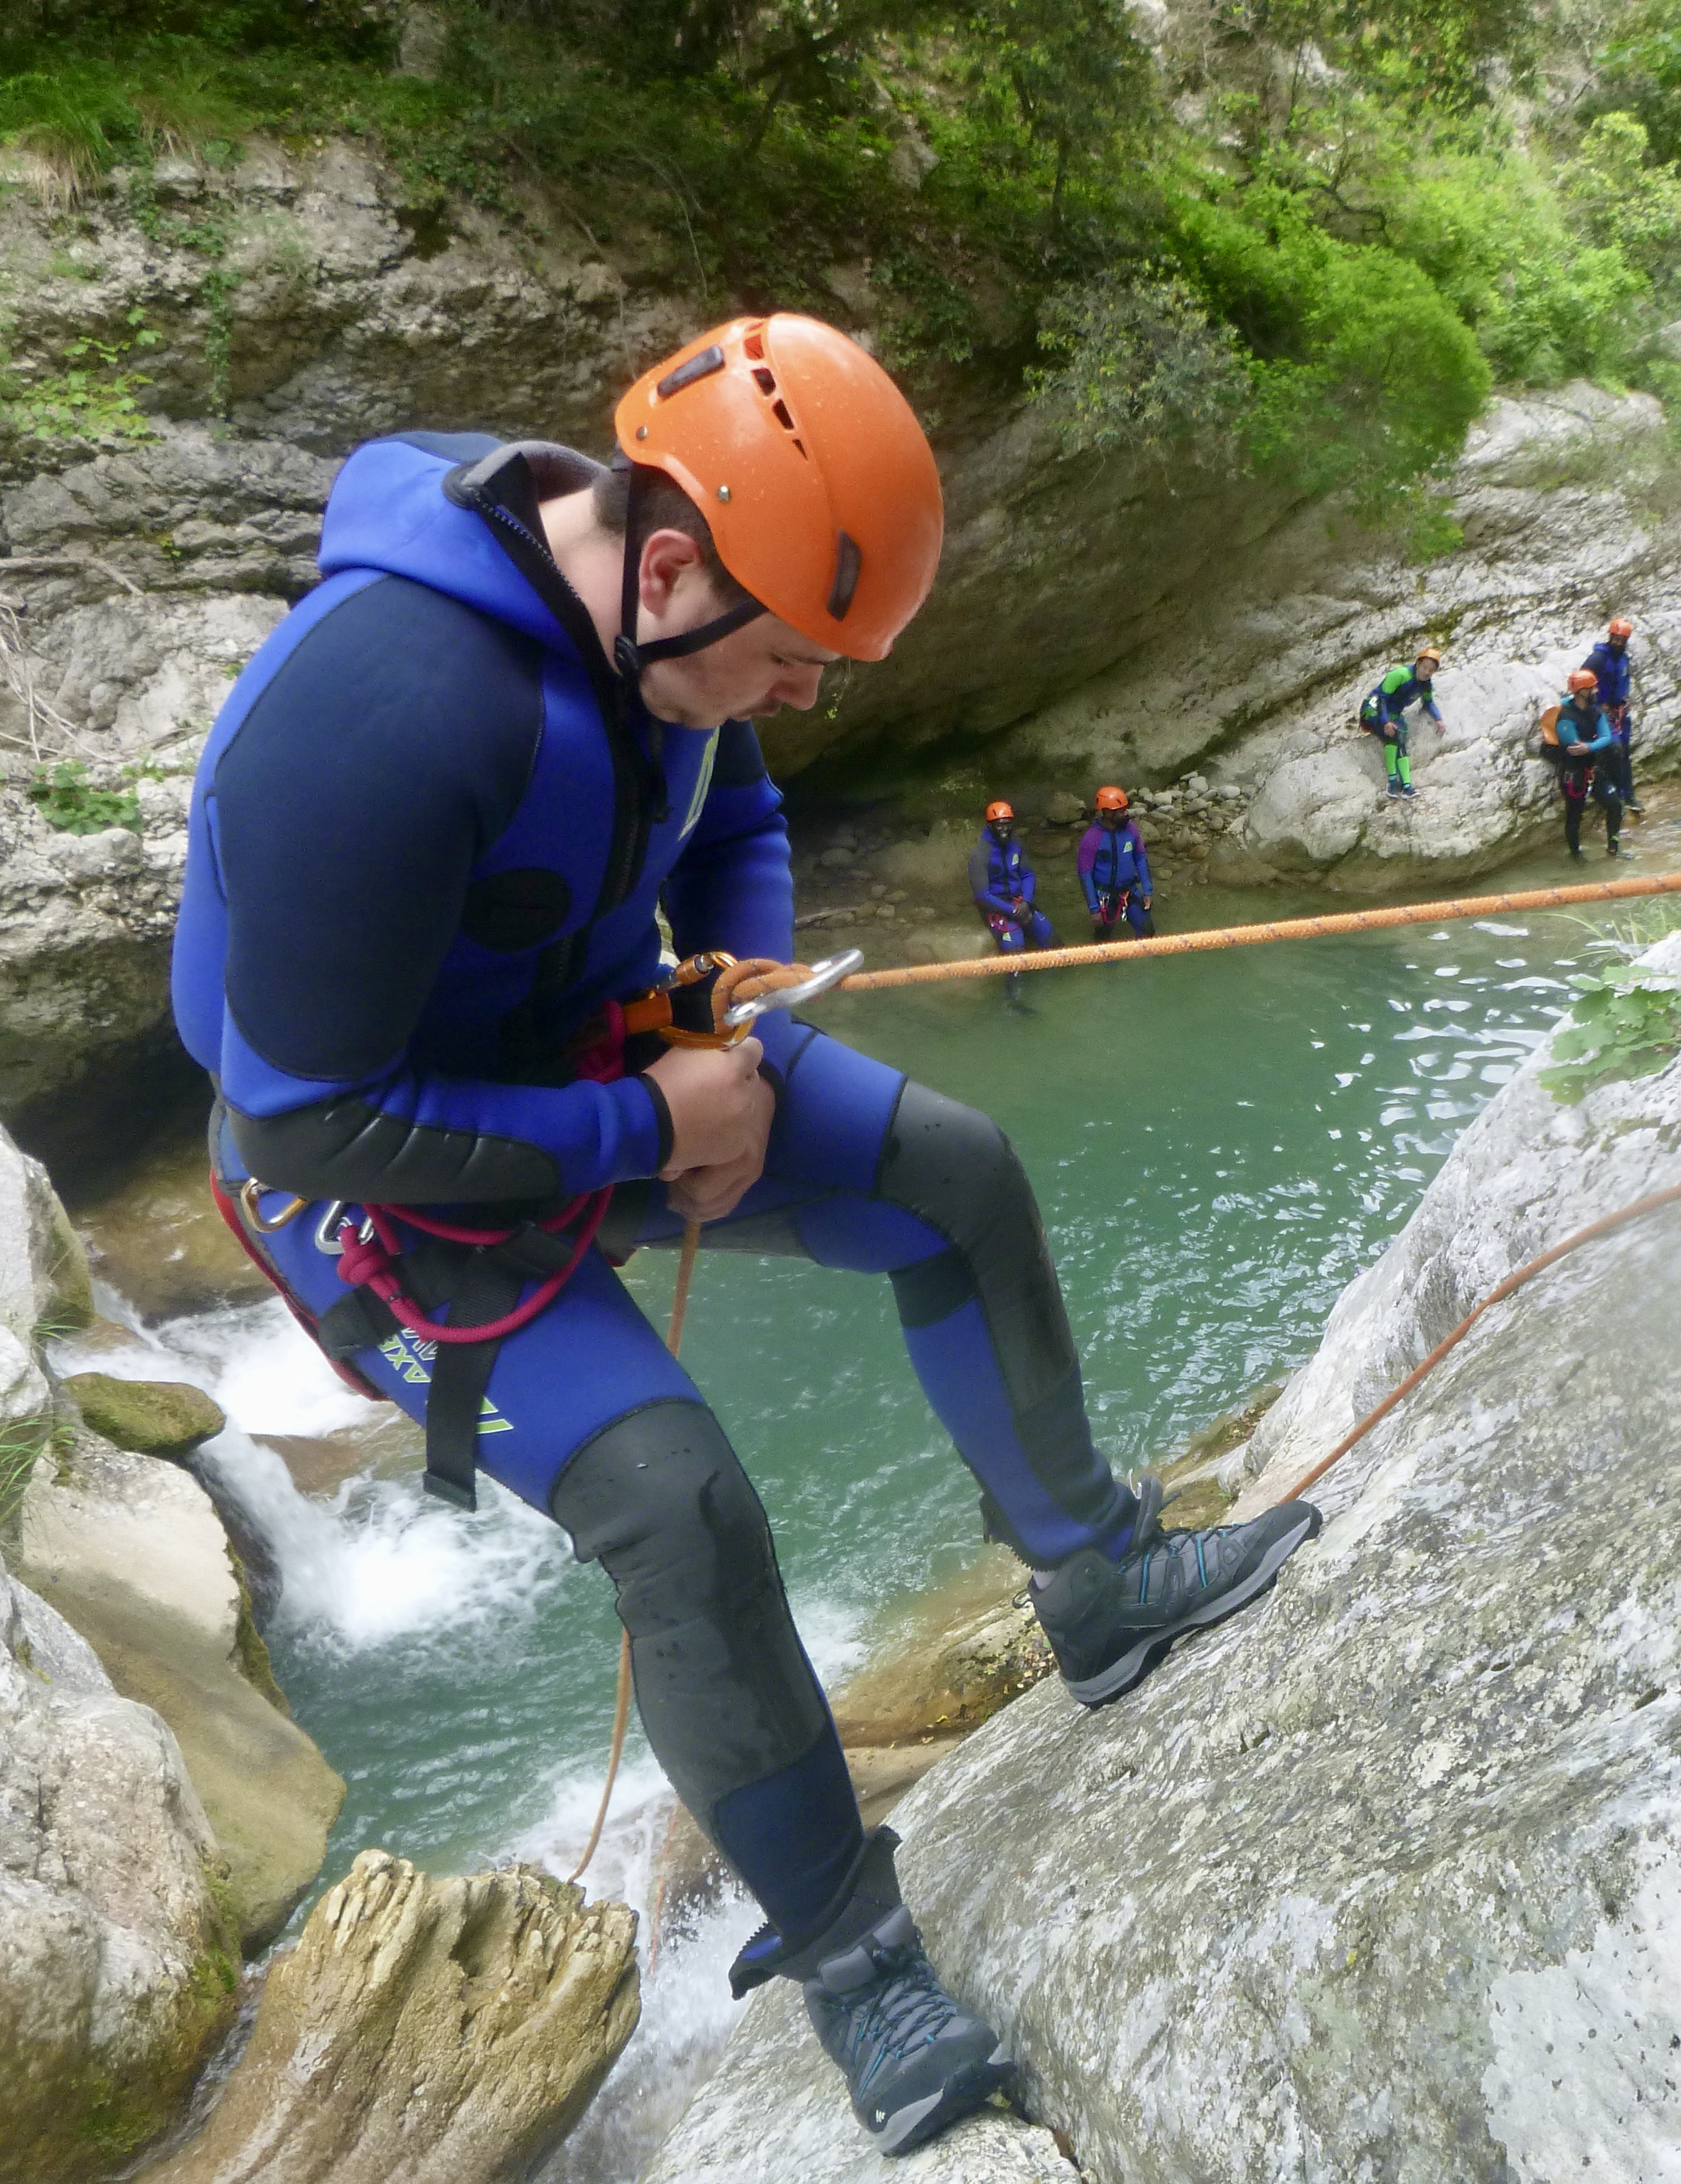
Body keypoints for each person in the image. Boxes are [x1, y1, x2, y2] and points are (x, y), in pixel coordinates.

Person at [171, 315, 1321, 2158]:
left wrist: (733, 983)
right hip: (382, 1175)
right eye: (788, 656)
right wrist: (649, 1126)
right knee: (678, 1503)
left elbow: (735, 802)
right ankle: (857, 1963)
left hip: (601, 1048)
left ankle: (1096, 1584)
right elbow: (305, 1111)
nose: (801, 694)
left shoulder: (668, 631)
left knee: (954, 1168)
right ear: (674, 564)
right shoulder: (379, 716)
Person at [1539, 667, 1623, 859]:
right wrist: (1590, 746)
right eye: (1592, 689)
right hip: (1574, 773)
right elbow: (1574, 747)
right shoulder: (1566, 718)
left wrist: (1590, 747)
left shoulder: (1595, 711)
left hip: (1592, 768)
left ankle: (1613, 846)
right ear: (1581, 692)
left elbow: (1606, 737)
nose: (1596, 691)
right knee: (1574, 815)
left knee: (1615, 805)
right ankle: (1575, 854)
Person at [973, 800, 1054, 963]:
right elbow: (982, 895)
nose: (1005, 830)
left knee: (1053, 943)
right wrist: (1013, 911)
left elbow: (1027, 875)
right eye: (1000, 825)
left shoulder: (1016, 844)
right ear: (990, 826)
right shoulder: (981, 854)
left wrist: (1026, 901)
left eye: (1008, 825)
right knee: (1016, 956)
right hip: (997, 907)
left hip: (1019, 902)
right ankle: (1014, 989)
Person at [1075, 785, 1154, 941]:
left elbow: (1140, 858)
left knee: (1148, 931)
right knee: (1103, 939)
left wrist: (1147, 890)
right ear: (1107, 812)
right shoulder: (1092, 838)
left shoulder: (1131, 830)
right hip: (1104, 895)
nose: (1125, 814)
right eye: (1121, 811)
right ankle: (1107, 963)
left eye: (1125, 809)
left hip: (1128, 891)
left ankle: (1142, 961)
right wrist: (1094, 909)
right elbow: (1085, 875)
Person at [1364, 646, 1442, 798]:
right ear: (1418, 664)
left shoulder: (1426, 686)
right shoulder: (1401, 674)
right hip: (1373, 707)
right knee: (1393, 735)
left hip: (1394, 712)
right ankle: (1393, 781)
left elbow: (1428, 703)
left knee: (1402, 736)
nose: (1427, 672)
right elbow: (1382, 698)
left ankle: (1407, 786)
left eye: (1431, 670)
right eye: (1425, 667)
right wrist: (1385, 721)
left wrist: (1438, 719)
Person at [1584, 616, 1642, 817]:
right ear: (1610, 637)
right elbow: (1583, 682)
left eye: (1621, 640)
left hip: (1620, 712)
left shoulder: (1624, 658)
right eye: (1615, 638)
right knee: (1615, 750)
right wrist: (1595, 705)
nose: (1617, 642)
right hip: (1603, 711)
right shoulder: (1598, 658)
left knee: (1625, 752)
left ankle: (1629, 795)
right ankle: (1615, 796)